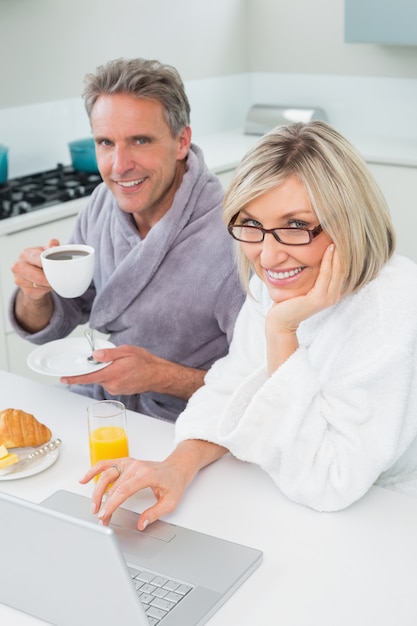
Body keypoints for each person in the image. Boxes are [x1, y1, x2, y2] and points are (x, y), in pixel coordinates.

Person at [81, 120, 417, 527]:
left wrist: (281, 333)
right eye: (252, 225)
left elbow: (331, 481)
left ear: (348, 221)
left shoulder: (390, 307)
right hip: (297, 506)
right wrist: (178, 466)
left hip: (387, 518)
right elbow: (230, 386)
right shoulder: (275, 284)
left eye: (295, 226)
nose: (269, 257)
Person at [9, 58, 245, 421]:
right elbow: (65, 313)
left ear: (181, 141)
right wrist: (35, 293)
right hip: (100, 406)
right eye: (106, 142)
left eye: (140, 140)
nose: (119, 165)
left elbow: (265, 384)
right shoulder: (102, 203)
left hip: (187, 424)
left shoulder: (236, 238)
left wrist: (161, 376)